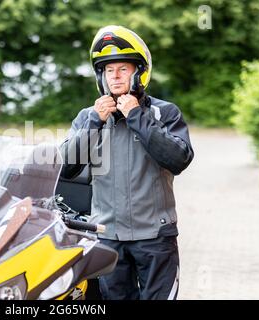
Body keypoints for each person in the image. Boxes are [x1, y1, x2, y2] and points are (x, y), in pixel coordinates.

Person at [60, 25, 194, 300]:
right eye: (109, 70)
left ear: (138, 73)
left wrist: (136, 116)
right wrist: (95, 123)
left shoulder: (164, 112)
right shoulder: (89, 116)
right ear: (101, 76)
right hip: (107, 237)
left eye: (123, 68)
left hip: (156, 236)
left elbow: (178, 159)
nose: (116, 76)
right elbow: (66, 167)